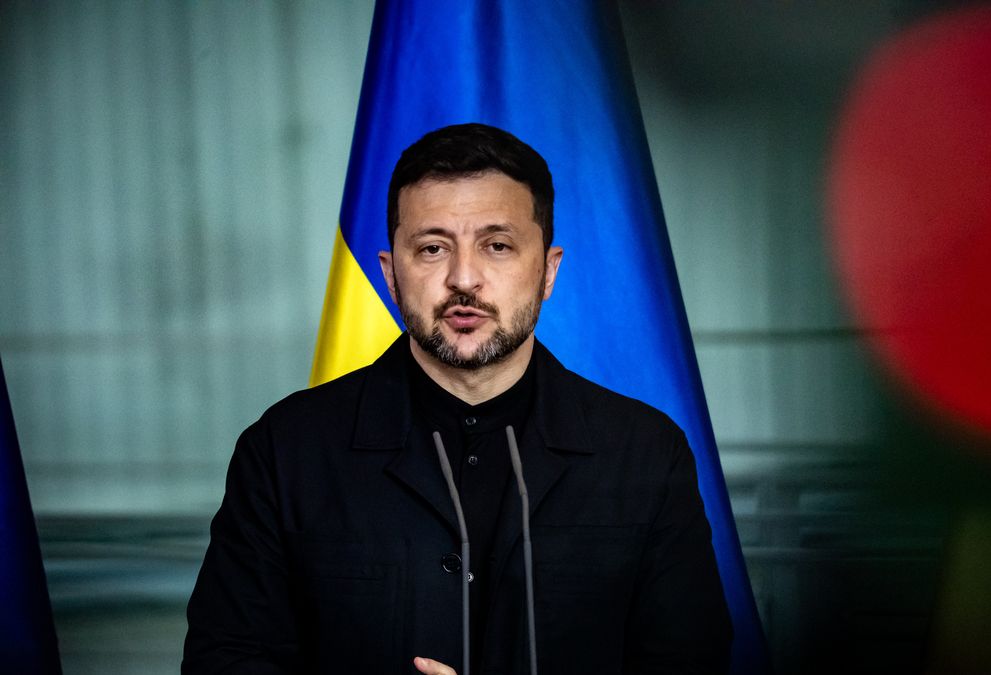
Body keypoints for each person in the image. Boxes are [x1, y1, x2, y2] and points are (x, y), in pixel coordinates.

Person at [183, 123, 732, 674]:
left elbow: (692, 664)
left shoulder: (646, 452)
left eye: (497, 246)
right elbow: (225, 663)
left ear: (547, 270)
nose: (463, 278)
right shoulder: (285, 450)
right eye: (431, 248)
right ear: (391, 276)